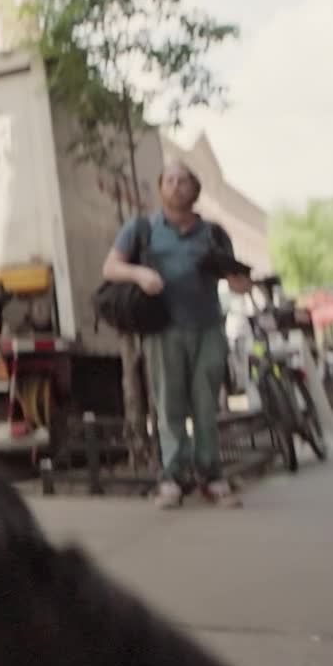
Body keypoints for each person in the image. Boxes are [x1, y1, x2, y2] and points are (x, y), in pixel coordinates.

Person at [102, 162, 252, 510]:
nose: (176, 186)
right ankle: (172, 478)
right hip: (163, 330)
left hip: (208, 328)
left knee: (205, 405)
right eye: (169, 180)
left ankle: (211, 477)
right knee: (169, 406)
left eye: (183, 180)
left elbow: (236, 281)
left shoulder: (213, 233)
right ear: (161, 188)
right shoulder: (142, 228)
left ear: (194, 189)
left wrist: (240, 283)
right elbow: (110, 267)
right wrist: (140, 275)